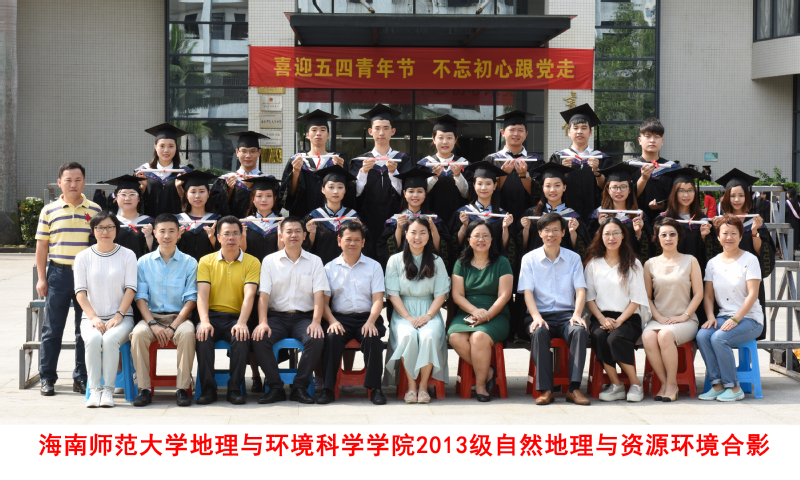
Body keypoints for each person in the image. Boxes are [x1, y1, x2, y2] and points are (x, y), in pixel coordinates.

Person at [35, 162, 101, 396]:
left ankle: (81, 377)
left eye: (78, 179)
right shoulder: (49, 210)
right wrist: (41, 278)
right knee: (52, 328)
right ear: (59, 182)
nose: (73, 184)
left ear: (84, 182)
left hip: (87, 276)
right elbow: (42, 246)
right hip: (58, 274)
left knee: (84, 329)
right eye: (68, 180)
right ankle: (47, 377)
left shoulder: (95, 210)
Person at [253, 217, 328, 405]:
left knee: (316, 338)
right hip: (276, 317)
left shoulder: (315, 261)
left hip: (304, 318)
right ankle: (275, 387)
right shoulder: (270, 261)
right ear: (281, 235)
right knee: (260, 338)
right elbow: (263, 296)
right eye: (289, 231)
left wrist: (316, 322)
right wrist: (263, 322)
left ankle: (300, 387)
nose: (293, 235)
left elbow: (319, 295)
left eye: (297, 231)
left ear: (304, 235)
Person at [518, 212, 590, 405]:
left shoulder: (573, 258)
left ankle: (574, 389)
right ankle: (546, 390)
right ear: (540, 233)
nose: (551, 234)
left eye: (556, 230)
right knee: (539, 331)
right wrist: (536, 317)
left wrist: (577, 314)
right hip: (540, 314)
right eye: (547, 230)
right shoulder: (529, 259)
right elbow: (527, 292)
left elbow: (580, 290)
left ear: (563, 232)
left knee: (579, 330)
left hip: (567, 315)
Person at [130, 213, 198, 407]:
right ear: (155, 233)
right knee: (138, 334)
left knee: (187, 334)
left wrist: (173, 326)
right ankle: (144, 388)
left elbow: (191, 299)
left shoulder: (190, 262)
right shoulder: (143, 262)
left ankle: (182, 388)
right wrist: (152, 324)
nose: (167, 235)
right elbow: (140, 298)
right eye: (162, 231)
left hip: (179, 318)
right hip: (151, 318)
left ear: (179, 234)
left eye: (171, 231)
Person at [317, 223, 388, 405]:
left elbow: (378, 300)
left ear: (363, 242)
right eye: (348, 239)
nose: (352, 243)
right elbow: (323, 303)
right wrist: (332, 321)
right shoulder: (329, 268)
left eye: (357, 240)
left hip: (368, 317)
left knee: (372, 338)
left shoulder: (374, 266)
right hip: (339, 318)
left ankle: (375, 389)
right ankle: (328, 389)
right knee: (331, 338)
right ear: (339, 241)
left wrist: (371, 321)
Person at [194, 216, 261, 405]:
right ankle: (208, 389)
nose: (231, 238)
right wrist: (204, 321)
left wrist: (242, 322)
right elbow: (202, 294)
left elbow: (250, 295)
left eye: (235, 233)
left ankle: (234, 389)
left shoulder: (252, 262)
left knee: (241, 336)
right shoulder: (206, 261)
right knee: (203, 336)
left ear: (241, 236)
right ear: (218, 237)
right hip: (211, 315)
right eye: (226, 234)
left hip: (237, 317)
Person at [384, 217, 450, 404]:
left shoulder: (436, 261)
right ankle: (411, 386)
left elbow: (441, 295)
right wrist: (408, 317)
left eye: (422, 232)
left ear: (429, 236)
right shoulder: (395, 260)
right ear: (406, 234)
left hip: (430, 311)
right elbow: (393, 294)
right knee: (408, 335)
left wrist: (428, 316)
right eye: (413, 232)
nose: (417, 237)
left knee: (429, 335)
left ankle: (423, 387)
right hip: (403, 312)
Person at [73, 212, 137, 407]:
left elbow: (131, 289)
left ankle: (108, 390)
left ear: (116, 230)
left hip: (122, 317)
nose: (105, 231)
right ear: (93, 231)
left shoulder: (128, 255)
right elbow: (80, 293)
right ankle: (94, 390)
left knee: (110, 339)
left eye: (110, 227)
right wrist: (93, 317)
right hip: (91, 318)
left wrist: (119, 315)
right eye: (100, 228)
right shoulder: (83, 257)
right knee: (93, 339)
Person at [697, 214, 764, 402]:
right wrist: (710, 317)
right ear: (718, 237)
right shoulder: (712, 263)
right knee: (702, 336)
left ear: (740, 236)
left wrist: (736, 319)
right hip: (723, 317)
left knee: (719, 338)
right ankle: (717, 385)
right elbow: (708, 296)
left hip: (750, 319)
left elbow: (753, 295)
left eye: (734, 233)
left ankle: (734, 388)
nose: (729, 237)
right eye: (725, 233)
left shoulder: (750, 260)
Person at [584, 217, 649, 403]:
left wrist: (619, 321)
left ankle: (635, 383)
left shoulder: (633, 263)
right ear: (601, 237)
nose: (611, 238)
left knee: (615, 337)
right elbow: (589, 298)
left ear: (623, 236)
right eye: (607, 234)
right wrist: (602, 319)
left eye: (615, 233)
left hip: (628, 317)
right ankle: (616, 384)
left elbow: (637, 299)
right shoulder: (593, 264)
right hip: (601, 316)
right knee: (599, 335)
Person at [447, 220, 513, 402]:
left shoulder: (502, 262)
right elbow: (457, 295)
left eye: (485, 236)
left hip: (496, 314)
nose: (481, 239)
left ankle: (481, 385)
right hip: (468, 312)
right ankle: (489, 371)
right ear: (469, 239)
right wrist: (476, 311)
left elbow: (505, 295)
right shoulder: (461, 263)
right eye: (476, 236)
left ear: (492, 239)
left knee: (479, 337)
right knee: (455, 337)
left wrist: (487, 315)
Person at [641, 217, 703, 402]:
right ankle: (666, 383)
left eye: (672, 234)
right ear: (657, 238)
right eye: (663, 235)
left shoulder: (690, 260)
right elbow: (647, 297)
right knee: (648, 336)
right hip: (659, 318)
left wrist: (684, 316)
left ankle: (671, 384)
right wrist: (658, 317)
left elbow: (699, 294)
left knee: (665, 335)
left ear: (679, 237)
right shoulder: (650, 264)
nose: (668, 238)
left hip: (685, 320)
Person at [712, 168, 775, 341]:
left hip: (748, 278)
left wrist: (754, 231)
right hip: (725, 278)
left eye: (741, 195)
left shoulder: (754, 220)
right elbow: (713, 251)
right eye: (733, 195)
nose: (737, 199)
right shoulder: (720, 221)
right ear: (727, 197)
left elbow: (763, 253)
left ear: (747, 196)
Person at [350, 104, 415, 258]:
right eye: (377, 128)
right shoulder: (359, 162)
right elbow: (353, 194)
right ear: (370, 132)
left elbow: (407, 193)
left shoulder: (403, 160)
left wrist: (393, 173)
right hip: (367, 220)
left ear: (393, 131)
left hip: (395, 220)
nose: (381, 133)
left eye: (386, 128)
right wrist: (363, 173)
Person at [549, 104, 613, 220]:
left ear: (590, 132)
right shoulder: (559, 158)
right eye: (575, 128)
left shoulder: (601, 158)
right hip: (566, 215)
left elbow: (608, 187)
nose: (579, 131)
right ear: (569, 132)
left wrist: (597, 172)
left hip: (596, 215)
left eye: (584, 128)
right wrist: (561, 172)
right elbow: (550, 187)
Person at [281, 109, 350, 218]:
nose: (318, 133)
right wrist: (295, 172)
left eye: (323, 130)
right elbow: (290, 195)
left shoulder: (337, 159)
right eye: (314, 130)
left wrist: (340, 170)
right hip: (302, 216)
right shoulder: (297, 160)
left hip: (330, 218)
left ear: (328, 135)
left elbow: (348, 192)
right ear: (307, 135)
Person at [376, 168, 450, 268]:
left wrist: (433, 229)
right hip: (403, 267)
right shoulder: (395, 221)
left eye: (420, 191)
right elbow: (388, 251)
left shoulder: (434, 220)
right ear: (404, 194)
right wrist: (399, 228)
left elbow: (442, 251)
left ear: (425, 194)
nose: (415, 195)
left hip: (428, 267)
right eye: (411, 191)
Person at [450, 161, 516, 264]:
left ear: (495, 186)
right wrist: (464, 225)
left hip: (493, 265)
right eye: (479, 183)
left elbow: (507, 248)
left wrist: (505, 228)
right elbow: (455, 246)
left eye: (488, 183)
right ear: (474, 185)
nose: (483, 188)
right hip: (469, 265)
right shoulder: (463, 213)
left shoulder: (503, 215)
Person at [519, 163, 589, 257]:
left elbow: (579, 249)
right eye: (548, 186)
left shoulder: (572, 216)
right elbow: (522, 247)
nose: (552, 190)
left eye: (557, 185)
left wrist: (573, 232)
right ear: (543, 188)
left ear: (564, 187)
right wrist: (526, 229)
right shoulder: (532, 214)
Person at [304, 165, 367, 266]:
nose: (336, 191)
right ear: (323, 189)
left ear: (345, 190)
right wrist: (311, 234)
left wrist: (361, 230)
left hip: (348, 269)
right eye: (331, 187)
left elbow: (365, 247)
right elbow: (305, 250)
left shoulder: (353, 218)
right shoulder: (313, 218)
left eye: (340, 187)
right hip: (321, 268)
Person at [588, 163, 652, 262]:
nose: (619, 191)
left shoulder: (638, 215)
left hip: (630, 262)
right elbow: (590, 243)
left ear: (629, 190)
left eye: (623, 187)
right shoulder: (599, 214)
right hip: (606, 263)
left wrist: (639, 233)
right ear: (608, 190)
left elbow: (649, 247)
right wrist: (601, 227)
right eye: (614, 187)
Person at [484, 110, 541, 221]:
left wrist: (524, 175)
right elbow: (485, 191)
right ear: (503, 132)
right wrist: (503, 174)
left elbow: (539, 194)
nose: (516, 134)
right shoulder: (491, 160)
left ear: (526, 134)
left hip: (528, 217)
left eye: (520, 130)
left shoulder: (535, 160)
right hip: (498, 216)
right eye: (512, 130)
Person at [417, 114, 472, 224]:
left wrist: (458, 176)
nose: (445, 142)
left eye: (449, 138)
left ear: (455, 139)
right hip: (431, 219)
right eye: (440, 137)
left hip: (458, 220)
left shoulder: (464, 164)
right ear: (433, 139)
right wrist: (434, 177)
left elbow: (468, 195)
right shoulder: (424, 164)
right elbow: (419, 193)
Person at [659, 168, 713, 273]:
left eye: (690, 190)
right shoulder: (663, 219)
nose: (686, 195)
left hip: (695, 273)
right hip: (670, 272)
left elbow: (708, 253)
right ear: (674, 193)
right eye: (681, 191)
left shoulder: (702, 220)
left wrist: (703, 237)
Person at [624, 118, 679, 219]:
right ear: (640, 140)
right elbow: (624, 196)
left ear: (662, 141)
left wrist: (664, 206)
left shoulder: (672, 168)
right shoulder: (629, 167)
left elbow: (677, 197)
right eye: (648, 136)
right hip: (634, 220)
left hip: (664, 222)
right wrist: (643, 179)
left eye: (657, 137)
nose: (652, 140)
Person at [135, 123, 191, 217]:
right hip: (149, 222)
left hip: (176, 223)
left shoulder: (184, 172)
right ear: (155, 146)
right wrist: (143, 187)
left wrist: (179, 187)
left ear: (176, 147)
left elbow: (188, 204)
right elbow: (135, 202)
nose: (166, 150)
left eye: (171, 146)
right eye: (162, 146)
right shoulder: (144, 171)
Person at [210, 130, 270, 218]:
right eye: (244, 151)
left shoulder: (268, 180)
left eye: (253, 151)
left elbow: (277, 206)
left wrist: (254, 188)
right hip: (233, 225)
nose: (248, 155)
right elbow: (214, 207)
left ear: (259, 153)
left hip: (259, 225)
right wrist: (229, 190)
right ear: (237, 152)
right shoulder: (225, 180)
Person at [92, 175, 154, 259]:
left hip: (141, 266)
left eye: (132, 194)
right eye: (123, 194)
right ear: (116, 198)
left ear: (139, 199)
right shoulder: (109, 223)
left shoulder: (149, 222)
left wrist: (149, 237)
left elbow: (157, 252)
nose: (127, 198)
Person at [175, 170, 221, 262]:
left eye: (202, 191)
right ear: (186, 195)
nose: (197, 196)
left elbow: (223, 252)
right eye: (193, 192)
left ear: (208, 194)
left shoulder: (216, 220)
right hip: (183, 268)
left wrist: (213, 239)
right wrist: (177, 239)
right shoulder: (177, 220)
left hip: (208, 268)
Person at [240, 175, 285, 263]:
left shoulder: (283, 224)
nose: (264, 200)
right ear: (253, 199)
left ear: (275, 198)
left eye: (269, 196)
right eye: (259, 196)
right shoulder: (245, 223)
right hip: (251, 269)